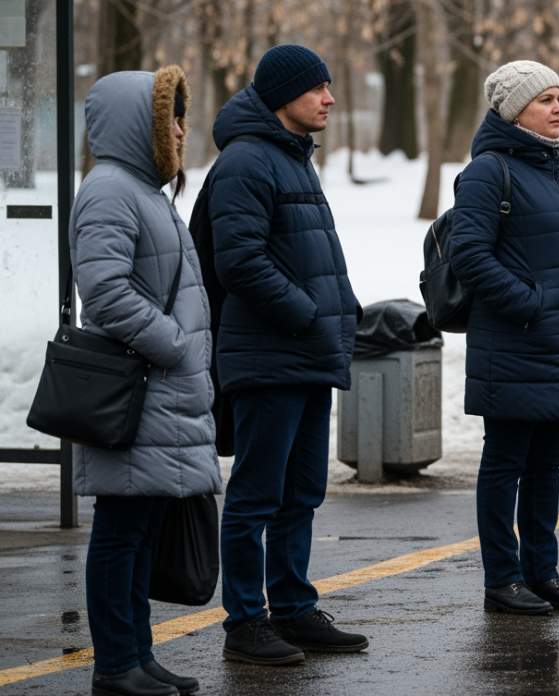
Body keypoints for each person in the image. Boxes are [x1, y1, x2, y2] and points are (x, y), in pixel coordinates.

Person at [206, 44, 366, 664]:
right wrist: (305, 314)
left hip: (306, 354)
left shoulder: (293, 158)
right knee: (256, 496)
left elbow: (314, 253)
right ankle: (246, 621)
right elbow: (240, 262)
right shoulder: (247, 161)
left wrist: (342, 311)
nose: (330, 99)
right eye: (318, 89)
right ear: (283, 97)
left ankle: (294, 608)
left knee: (302, 493)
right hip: (270, 356)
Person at [70, 66, 218, 696]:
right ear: (142, 125)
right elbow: (103, 291)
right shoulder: (109, 189)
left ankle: (138, 655)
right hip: (141, 387)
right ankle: (114, 666)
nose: (182, 130)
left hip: (163, 389)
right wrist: (174, 344)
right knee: (121, 533)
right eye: (171, 118)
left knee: (142, 531)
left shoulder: (145, 189)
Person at [449, 60, 559, 615]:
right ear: (513, 109)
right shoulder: (488, 171)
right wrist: (528, 304)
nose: (558, 107)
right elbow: (470, 255)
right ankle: (503, 579)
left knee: (548, 463)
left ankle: (542, 572)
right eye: (544, 99)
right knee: (506, 462)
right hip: (515, 341)